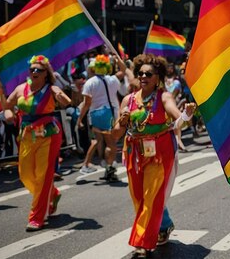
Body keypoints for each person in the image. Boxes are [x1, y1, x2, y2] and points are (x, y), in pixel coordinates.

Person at [116, 54, 196, 258]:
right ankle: (164, 225)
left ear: (157, 77)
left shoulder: (164, 97)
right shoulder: (128, 99)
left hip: (160, 152)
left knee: (151, 197)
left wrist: (186, 114)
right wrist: (123, 121)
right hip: (134, 152)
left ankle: (143, 243)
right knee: (139, 198)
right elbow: (116, 133)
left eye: (148, 74)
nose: (143, 76)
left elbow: (178, 120)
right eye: (140, 73)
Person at [3, 55, 71, 231]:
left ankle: (36, 217)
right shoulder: (20, 89)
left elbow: (67, 102)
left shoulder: (51, 88)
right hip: (27, 135)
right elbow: (8, 105)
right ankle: (52, 194)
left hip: (48, 135)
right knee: (25, 174)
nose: (34, 72)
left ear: (46, 73)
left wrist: (59, 94)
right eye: (32, 69)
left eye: (38, 70)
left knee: (43, 176)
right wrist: (8, 114)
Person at [77, 54, 127, 181]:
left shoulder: (89, 83)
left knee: (98, 141)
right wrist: (118, 60)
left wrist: (79, 119)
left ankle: (93, 163)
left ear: (93, 69)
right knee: (111, 143)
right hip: (109, 113)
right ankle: (109, 167)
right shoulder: (112, 80)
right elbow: (123, 71)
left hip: (95, 114)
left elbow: (87, 103)